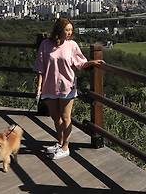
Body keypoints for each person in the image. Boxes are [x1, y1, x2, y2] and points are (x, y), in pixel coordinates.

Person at [34, 17, 104, 159]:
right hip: (49, 86)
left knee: (66, 117)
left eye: (71, 30)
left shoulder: (72, 45)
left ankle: (66, 146)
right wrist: (39, 87)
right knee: (55, 117)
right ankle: (59, 143)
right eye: (67, 30)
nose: (69, 33)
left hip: (67, 85)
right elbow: (40, 67)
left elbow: (80, 63)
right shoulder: (46, 44)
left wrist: (92, 62)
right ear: (59, 30)